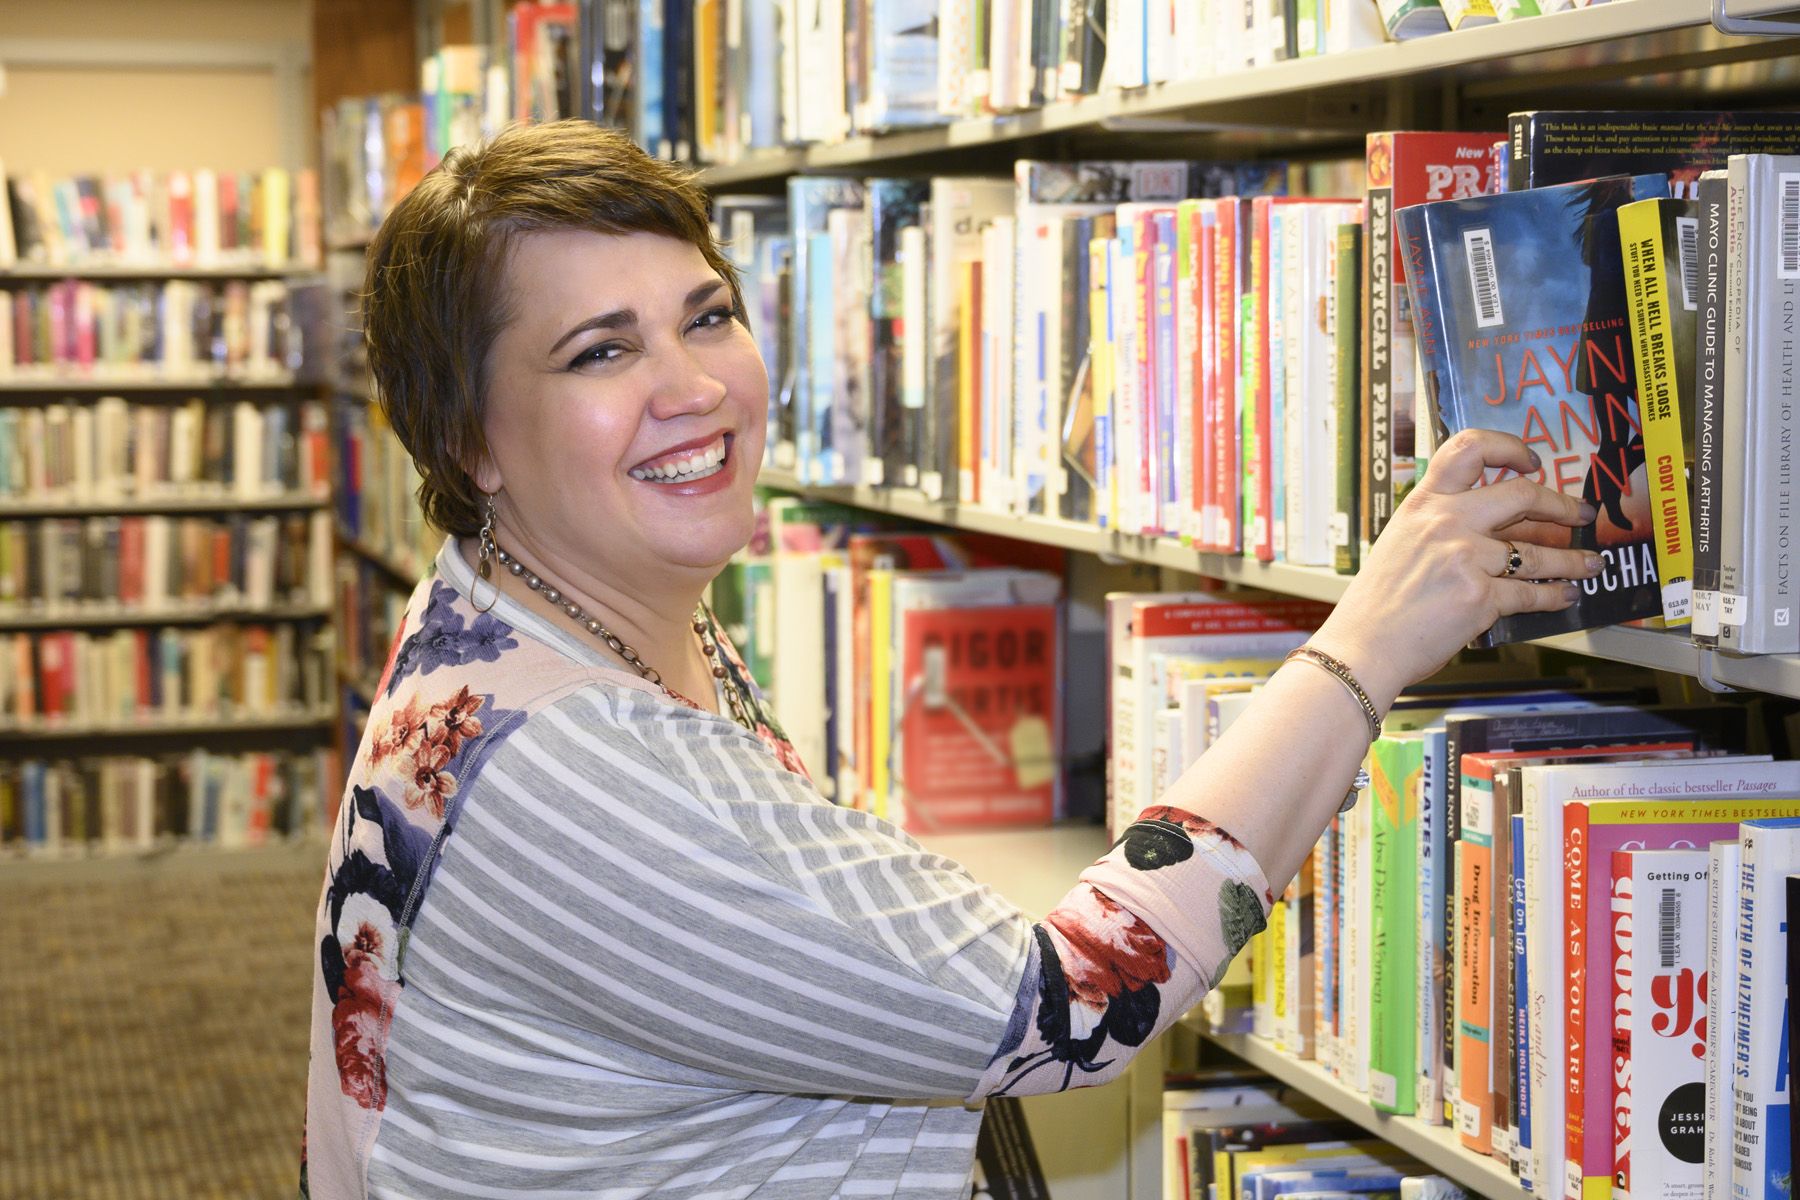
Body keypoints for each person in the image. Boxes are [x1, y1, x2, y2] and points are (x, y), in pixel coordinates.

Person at [301, 120, 1604, 1200]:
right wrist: (1372, 637)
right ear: (471, 440)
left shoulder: (511, 621)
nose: (694, 385)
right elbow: (1077, 1003)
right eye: (602, 350)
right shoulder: (576, 764)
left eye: (706, 316)